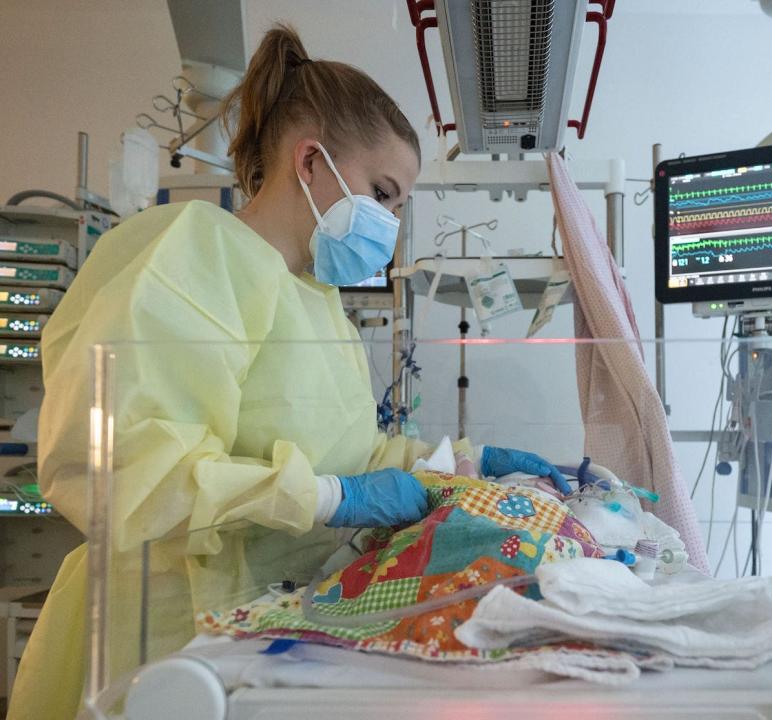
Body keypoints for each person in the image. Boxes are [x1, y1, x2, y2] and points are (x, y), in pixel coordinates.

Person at [8, 24, 567, 720]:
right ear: (311, 161)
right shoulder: (194, 256)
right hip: (160, 638)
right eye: (383, 193)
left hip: (265, 630)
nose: (390, 222)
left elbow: (353, 455)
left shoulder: (317, 300)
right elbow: (124, 468)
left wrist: (466, 462)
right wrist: (330, 498)